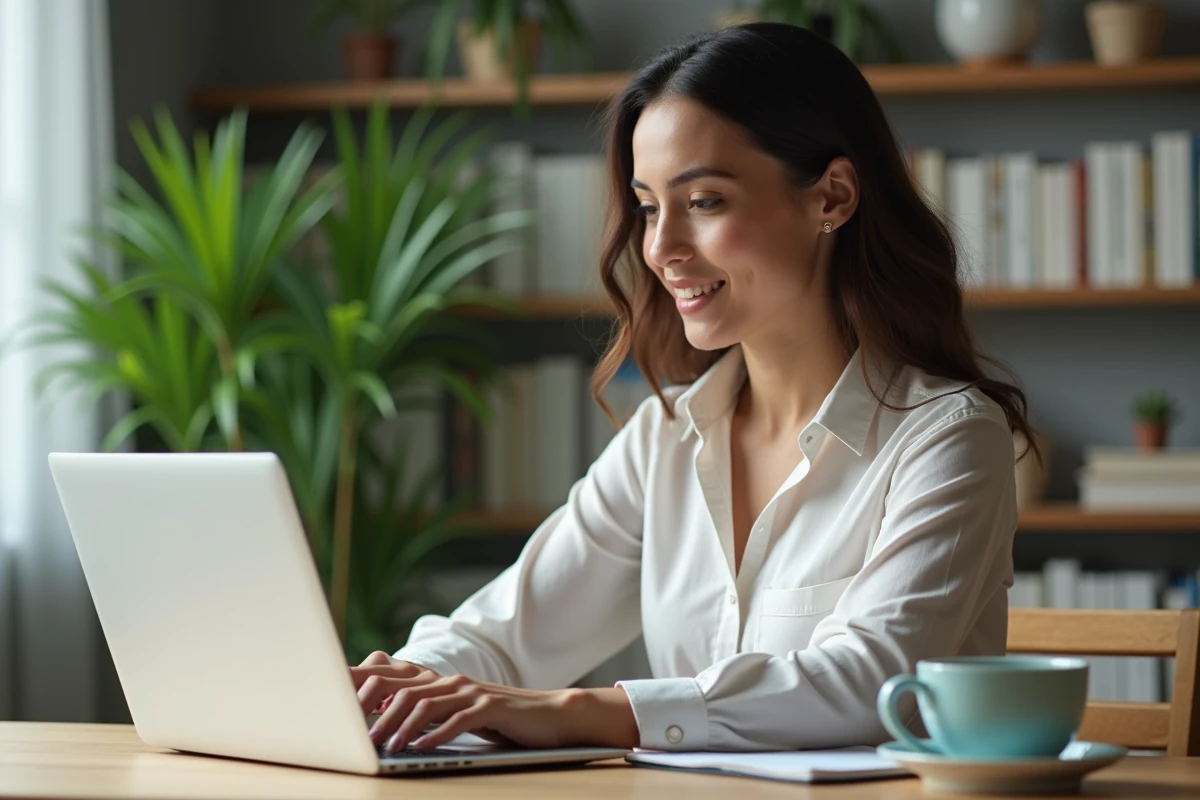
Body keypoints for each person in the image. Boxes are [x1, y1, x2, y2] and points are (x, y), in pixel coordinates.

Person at [352, 21, 1038, 755]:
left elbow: (869, 680)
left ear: (832, 197)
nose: (660, 249)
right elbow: (505, 634)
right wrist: (393, 689)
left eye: (704, 201)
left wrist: (581, 710)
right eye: (649, 207)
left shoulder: (948, 437)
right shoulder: (666, 435)